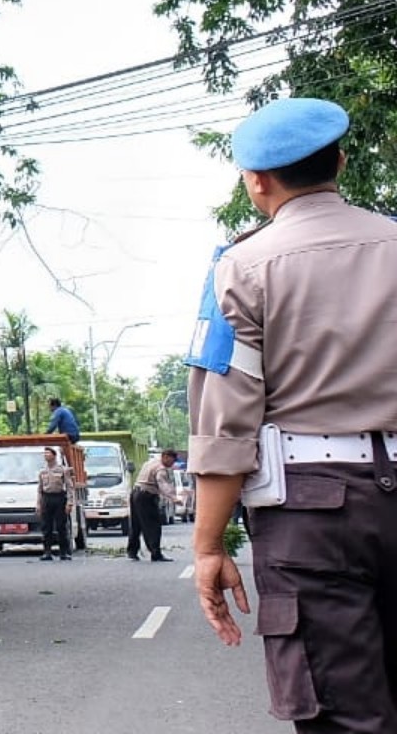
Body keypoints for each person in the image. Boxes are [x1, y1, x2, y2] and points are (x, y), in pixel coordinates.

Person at [190, 98, 397, 733]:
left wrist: (208, 546)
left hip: (310, 518)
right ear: (339, 160)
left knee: (344, 718)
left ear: (256, 181)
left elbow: (227, 420)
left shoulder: (240, 268)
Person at [126, 448, 177, 562]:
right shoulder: (160, 469)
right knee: (153, 525)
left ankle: (132, 551)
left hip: (136, 493)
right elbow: (163, 484)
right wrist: (173, 498)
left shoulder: (149, 462)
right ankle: (155, 553)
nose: (171, 464)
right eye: (171, 461)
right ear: (165, 457)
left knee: (136, 524)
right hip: (146, 496)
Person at [35, 446, 74, 562]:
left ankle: (63, 552)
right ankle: (47, 552)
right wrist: (38, 503)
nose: (46, 455)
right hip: (47, 499)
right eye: (44, 454)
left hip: (59, 498)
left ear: (54, 455)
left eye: (48, 453)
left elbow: (69, 486)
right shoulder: (42, 471)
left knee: (61, 526)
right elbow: (40, 489)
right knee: (46, 527)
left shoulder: (63, 470)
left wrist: (69, 502)